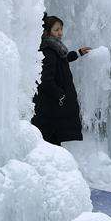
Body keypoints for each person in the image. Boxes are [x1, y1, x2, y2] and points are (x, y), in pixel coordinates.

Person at [31, 13, 91, 145]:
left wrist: (78, 53)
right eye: (56, 30)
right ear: (47, 32)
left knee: (53, 138)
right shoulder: (48, 51)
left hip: (53, 107)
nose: (60, 33)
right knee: (50, 139)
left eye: (61, 29)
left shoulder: (54, 48)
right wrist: (61, 95)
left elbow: (62, 61)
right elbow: (46, 80)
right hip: (50, 107)